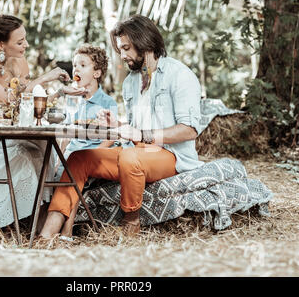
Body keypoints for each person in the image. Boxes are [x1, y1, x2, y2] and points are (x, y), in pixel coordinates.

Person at [39, 14, 204, 239]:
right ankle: (47, 235)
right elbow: (137, 126)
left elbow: (189, 130)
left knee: (130, 157)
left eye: (126, 48)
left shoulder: (180, 76)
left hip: (170, 155)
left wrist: (140, 134)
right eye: (120, 49)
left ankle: (130, 225)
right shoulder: (131, 82)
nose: (122, 55)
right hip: (136, 151)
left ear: (144, 42)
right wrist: (117, 124)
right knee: (78, 158)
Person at [0, 14, 84, 230]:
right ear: (2, 44)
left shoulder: (20, 62)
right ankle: (21, 222)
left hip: (6, 127)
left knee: (43, 148)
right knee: (22, 158)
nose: (26, 45)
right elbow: (5, 98)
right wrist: (44, 78)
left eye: (25, 39)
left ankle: (43, 220)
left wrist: (59, 92)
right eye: (20, 42)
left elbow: (27, 101)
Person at [53, 43, 118, 182]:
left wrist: (91, 157)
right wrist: (58, 161)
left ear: (96, 73)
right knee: (52, 175)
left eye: (82, 65)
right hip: (69, 156)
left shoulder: (108, 102)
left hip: (91, 158)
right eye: (75, 65)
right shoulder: (72, 100)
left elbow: (111, 138)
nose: (76, 69)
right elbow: (66, 136)